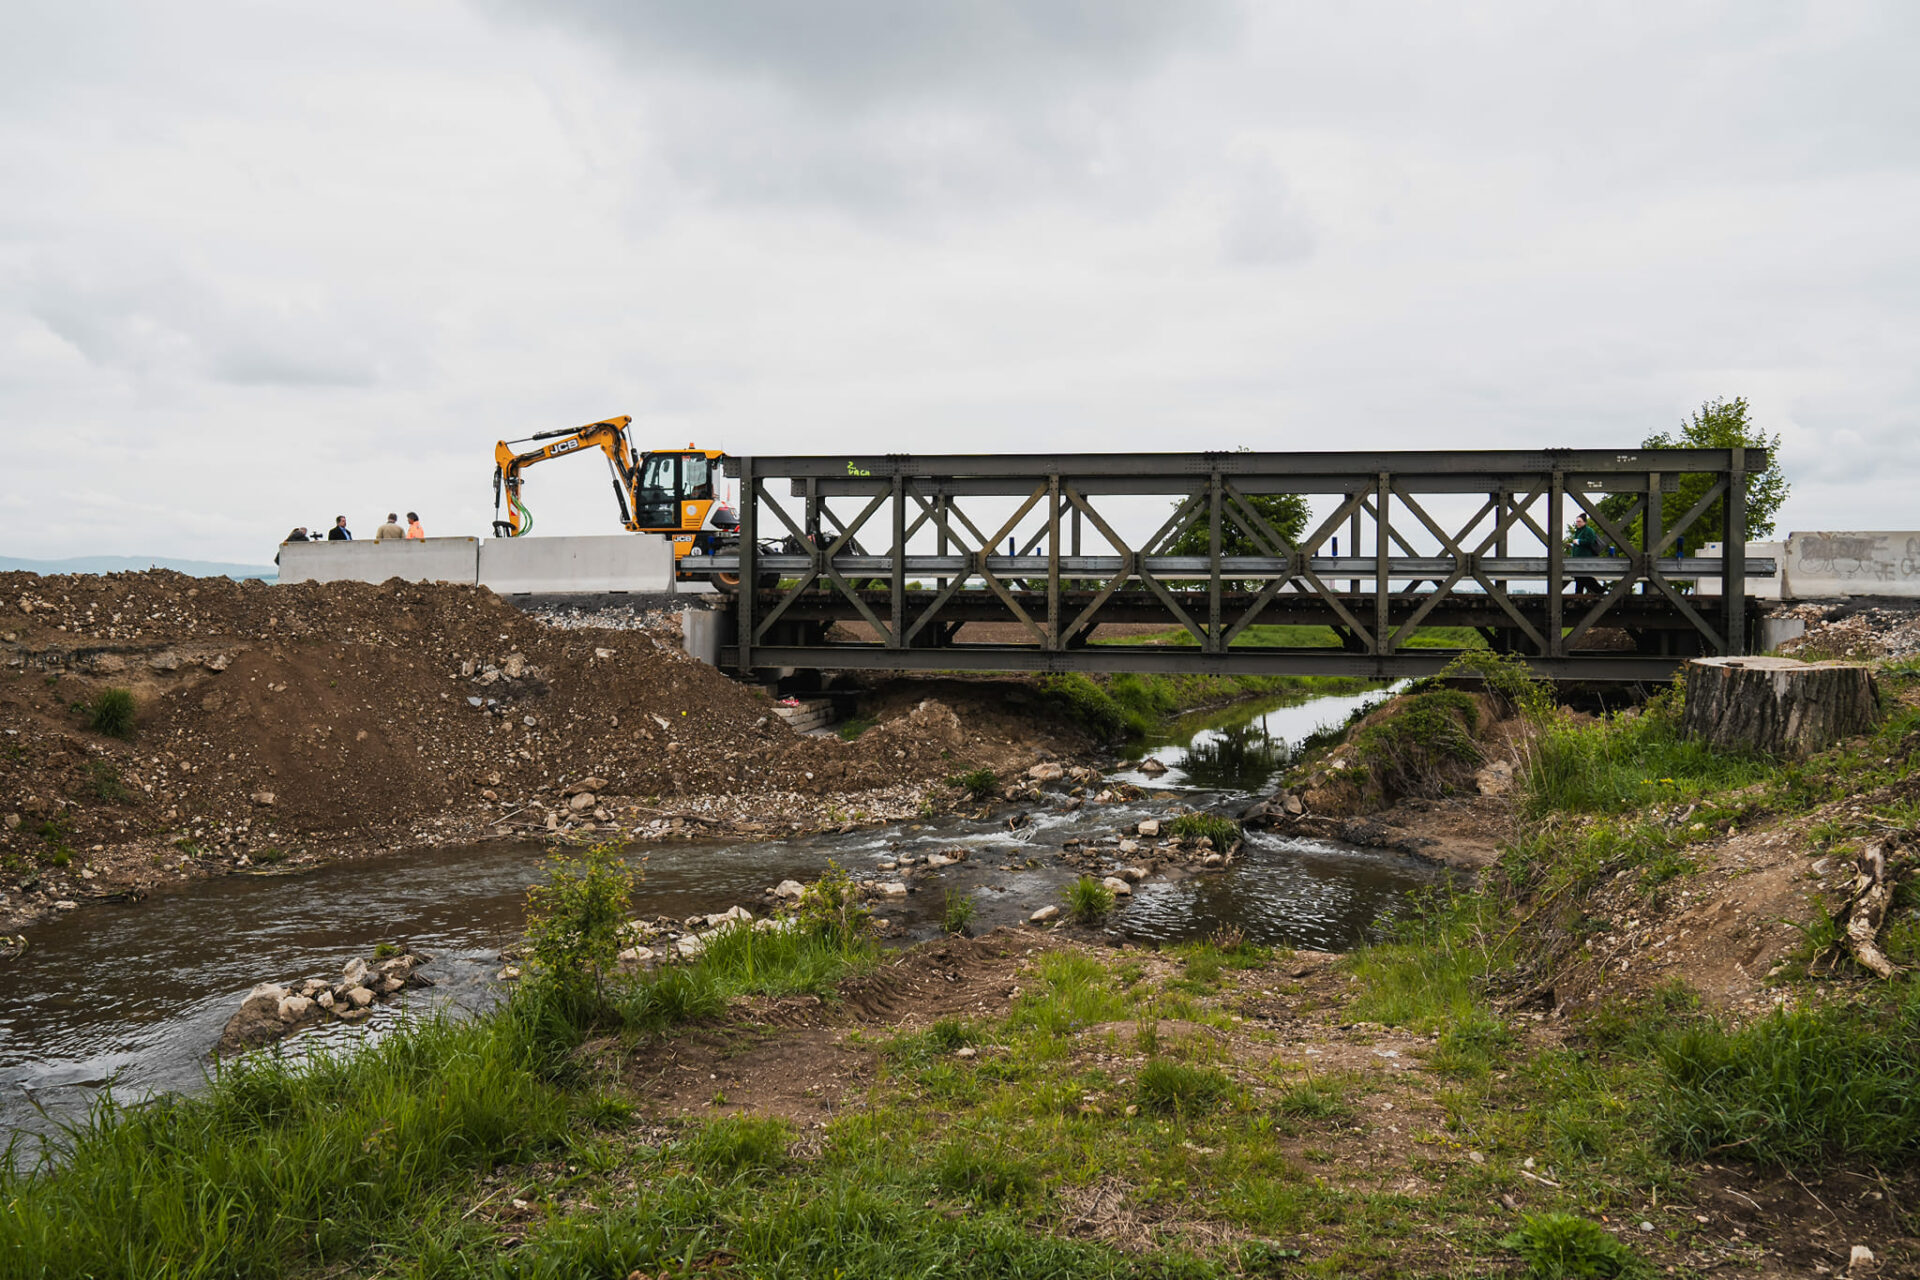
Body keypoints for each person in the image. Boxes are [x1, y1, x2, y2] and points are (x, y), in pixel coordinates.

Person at [1568, 513, 1602, 594]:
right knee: (1580, 578)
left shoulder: (1589, 530)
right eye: (1577, 521)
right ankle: (1580, 594)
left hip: (1585, 559)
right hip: (1578, 559)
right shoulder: (1578, 531)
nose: (1577, 523)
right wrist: (1573, 545)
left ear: (1585, 522)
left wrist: (1579, 541)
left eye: (1579, 521)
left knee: (1582, 577)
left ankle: (1599, 590)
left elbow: (1590, 541)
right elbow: (1580, 545)